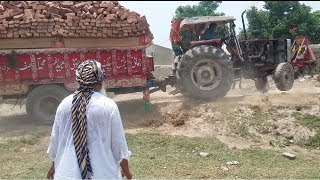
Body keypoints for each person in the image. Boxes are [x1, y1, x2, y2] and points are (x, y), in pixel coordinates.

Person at [47, 60, 132, 180]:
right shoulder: (108, 105)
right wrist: (127, 171)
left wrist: (54, 166)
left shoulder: (64, 104)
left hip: (66, 174)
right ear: (101, 80)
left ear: (78, 80)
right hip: (103, 174)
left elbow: (56, 141)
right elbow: (118, 145)